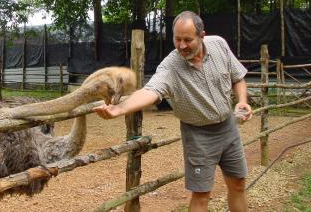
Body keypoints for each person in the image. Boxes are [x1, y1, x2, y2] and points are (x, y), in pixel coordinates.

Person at [94, 11, 252, 212]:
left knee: (238, 183)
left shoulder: (219, 45)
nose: (182, 46)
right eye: (177, 39)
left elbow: (237, 77)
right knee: (202, 194)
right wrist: (118, 109)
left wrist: (242, 101)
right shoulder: (170, 66)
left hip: (228, 128)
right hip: (198, 135)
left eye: (188, 40)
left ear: (202, 36)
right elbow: (150, 91)